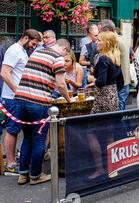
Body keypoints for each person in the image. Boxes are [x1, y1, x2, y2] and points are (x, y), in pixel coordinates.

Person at [15, 38, 73, 185]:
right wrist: (68, 99)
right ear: (65, 48)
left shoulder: (37, 53)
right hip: (39, 102)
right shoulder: (57, 58)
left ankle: (23, 174)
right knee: (40, 139)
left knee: (27, 138)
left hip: (21, 99)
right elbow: (61, 84)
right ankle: (35, 175)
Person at [0, 29, 41, 175]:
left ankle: (13, 161)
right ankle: (10, 164)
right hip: (12, 98)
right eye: (33, 44)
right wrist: (18, 92)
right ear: (25, 38)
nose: (34, 47)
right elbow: (4, 73)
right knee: (12, 130)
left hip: (17, 97)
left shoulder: (22, 51)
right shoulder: (15, 50)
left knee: (16, 130)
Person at [85, 31, 123, 180]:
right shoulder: (116, 58)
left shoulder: (103, 59)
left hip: (102, 99)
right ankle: (113, 168)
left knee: (91, 132)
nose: (96, 42)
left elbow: (101, 81)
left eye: (99, 40)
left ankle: (100, 168)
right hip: (113, 97)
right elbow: (121, 81)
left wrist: (91, 78)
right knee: (109, 134)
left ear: (106, 43)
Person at [99, 19, 131, 111]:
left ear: (107, 30)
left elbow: (109, 61)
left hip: (119, 82)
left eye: (100, 31)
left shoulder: (115, 41)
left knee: (118, 113)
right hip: (124, 81)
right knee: (121, 110)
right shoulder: (122, 38)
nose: (99, 34)